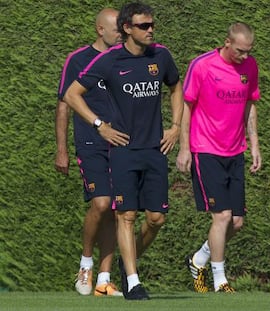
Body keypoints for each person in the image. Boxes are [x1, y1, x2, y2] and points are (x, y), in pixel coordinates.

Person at [63, 1, 183, 300]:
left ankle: (125, 260)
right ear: (127, 29)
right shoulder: (109, 60)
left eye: (152, 25)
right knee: (125, 215)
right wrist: (99, 124)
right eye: (144, 26)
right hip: (123, 151)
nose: (150, 30)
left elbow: (176, 87)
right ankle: (132, 280)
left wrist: (176, 126)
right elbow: (71, 95)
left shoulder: (162, 55)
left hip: (155, 150)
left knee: (156, 219)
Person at [176, 22, 261, 293]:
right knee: (222, 216)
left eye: (248, 51)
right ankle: (219, 280)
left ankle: (199, 258)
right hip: (206, 149)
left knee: (236, 222)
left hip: (235, 150)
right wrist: (184, 147)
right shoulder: (202, 65)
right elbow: (186, 107)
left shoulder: (250, 67)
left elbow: (250, 106)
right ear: (226, 42)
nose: (244, 57)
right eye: (239, 51)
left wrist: (255, 145)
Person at [55, 8, 123, 297]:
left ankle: (104, 281)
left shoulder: (126, 59)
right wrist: (61, 150)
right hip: (90, 142)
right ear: (100, 29)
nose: (122, 33)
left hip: (121, 143)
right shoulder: (78, 59)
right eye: (117, 29)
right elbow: (64, 105)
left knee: (116, 209)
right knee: (101, 203)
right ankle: (86, 264)